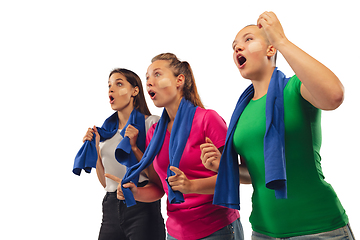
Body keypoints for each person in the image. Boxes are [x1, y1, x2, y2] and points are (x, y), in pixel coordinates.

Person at [201, 12, 354, 239]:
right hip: (264, 231)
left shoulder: (294, 89)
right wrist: (220, 167)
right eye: (234, 46)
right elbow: (255, 174)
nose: (237, 49)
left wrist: (282, 40)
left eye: (248, 40)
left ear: (270, 50)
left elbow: (334, 96)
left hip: (318, 228)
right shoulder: (241, 111)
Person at [109, 53, 243, 240]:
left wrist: (191, 185)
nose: (149, 82)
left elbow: (231, 178)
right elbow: (160, 186)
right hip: (175, 232)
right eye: (147, 77)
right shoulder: (154, 133)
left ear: (179, 80)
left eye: (157, 75)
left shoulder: (207, 119)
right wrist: (136, 192)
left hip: (215, 228)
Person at [81, 68, 165, 240]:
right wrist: (96, 147)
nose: (111, 89)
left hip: (142, 206)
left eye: (119, 84)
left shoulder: (152, 123)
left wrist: (134, 148)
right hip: (111, 206)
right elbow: (107, 182)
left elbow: (158, 177)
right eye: (109, 85)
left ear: (135, 91)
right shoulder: (106, 133)